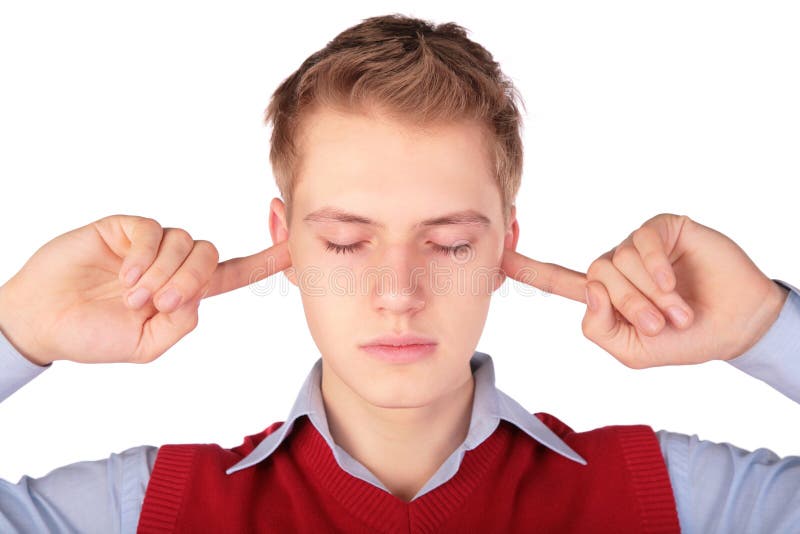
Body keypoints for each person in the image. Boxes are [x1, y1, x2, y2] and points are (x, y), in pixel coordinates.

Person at [1, 13, 799, 533]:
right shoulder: (147, 511)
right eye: (346, 241)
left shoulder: (671, 497)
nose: (397, 293)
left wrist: (766, 328)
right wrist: (18, 330)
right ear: (284, 241)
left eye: (450, 243)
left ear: (504, 248)